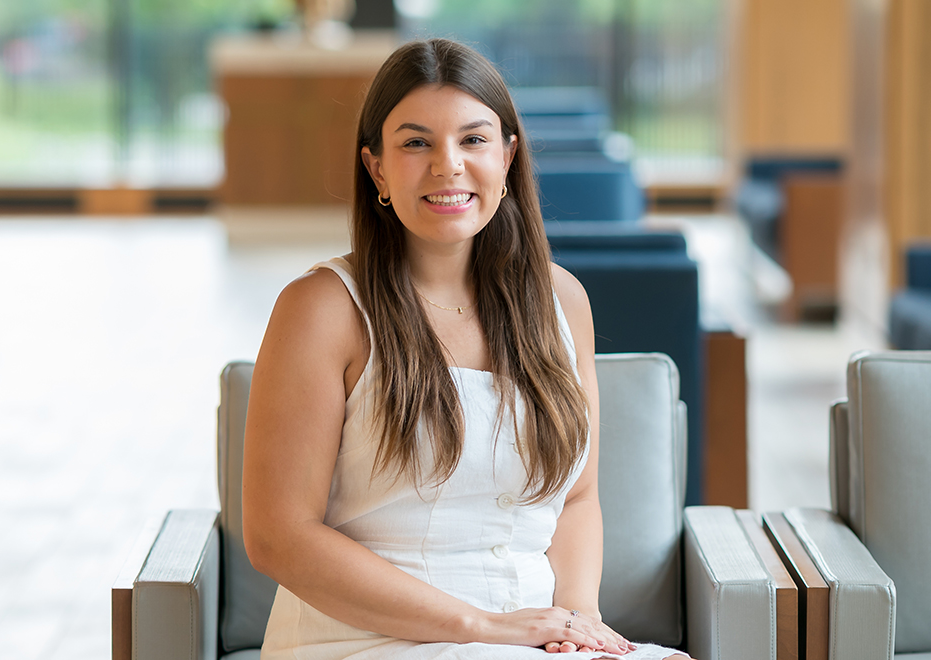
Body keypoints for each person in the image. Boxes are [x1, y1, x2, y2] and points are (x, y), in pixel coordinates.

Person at [242, 38, 690, 660]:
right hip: (370, 640)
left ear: (508, 157)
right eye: (416, 142)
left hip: (531, 638)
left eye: (473, 140)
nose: (447, 165)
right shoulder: (322, 308)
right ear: (376, 168)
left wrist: (579, 623)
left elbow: (579, 497)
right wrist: (483, 626)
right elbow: (278, 537)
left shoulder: (562, 300)